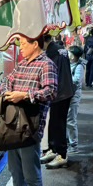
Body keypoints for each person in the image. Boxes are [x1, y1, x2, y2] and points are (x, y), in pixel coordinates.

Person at [0, 32, 57, 186]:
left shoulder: (46, 65)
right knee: (15, 171)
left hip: (30, 128)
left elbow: (51, 92)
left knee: (31, 176)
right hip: (13, 126)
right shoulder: (22, 64)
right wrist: (4, 91)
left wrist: (24, 95)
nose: (21, 47)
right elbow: (8, 81)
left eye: (23, 44)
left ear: (35, 44)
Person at [41, 33, 75, 169]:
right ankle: (54, 149)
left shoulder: (52, 53)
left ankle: (62, 154)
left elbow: (51, 73)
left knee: (58, 123)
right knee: (54, 122)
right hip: (65, 90)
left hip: (60, 92)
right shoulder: (60, 49)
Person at [67, 45, 85, 153]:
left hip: (74, 95)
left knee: (71, 120)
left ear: (73, 55)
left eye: (69, 52)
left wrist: (66, 77)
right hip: (68, 94)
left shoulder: (79, 66)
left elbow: (77, 80)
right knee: (67, 119)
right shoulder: (71, 63)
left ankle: (73, 145)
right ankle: (69, 142)